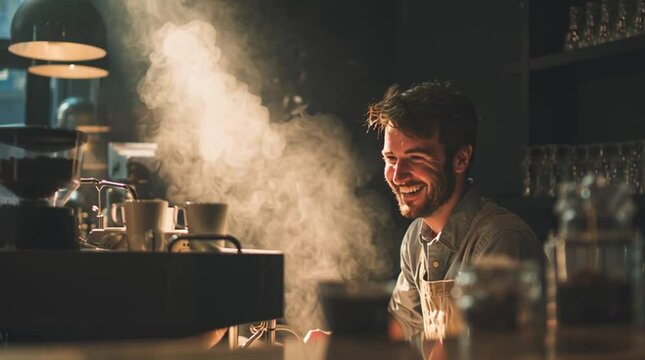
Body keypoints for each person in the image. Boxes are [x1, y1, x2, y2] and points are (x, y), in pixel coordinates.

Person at [366, 81, 544, 356]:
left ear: (461, 159)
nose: (397, 175)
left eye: (416, 158)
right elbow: (401, 335)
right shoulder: (416, 237)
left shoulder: (501, 239)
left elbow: (492, 351)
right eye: (391, 158)